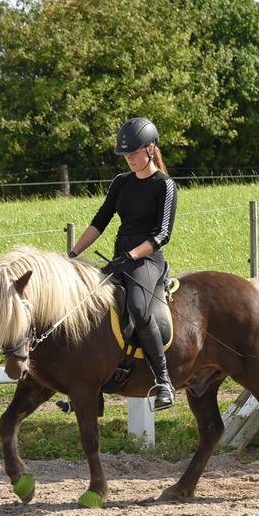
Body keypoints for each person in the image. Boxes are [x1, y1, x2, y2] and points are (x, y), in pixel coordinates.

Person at [68, 117, 178, 410]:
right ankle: (91, 386)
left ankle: (163, 381)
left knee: (140, 311)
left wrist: (132, 256)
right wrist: (74, 253)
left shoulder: (164, 185)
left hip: (147, 260)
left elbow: (163, 234)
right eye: (125, 155)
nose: (129, 160)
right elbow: (100, 221)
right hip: (120, 256)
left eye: (134, 154)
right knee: (87, 307)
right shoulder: (121, 183)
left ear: (151, 149)